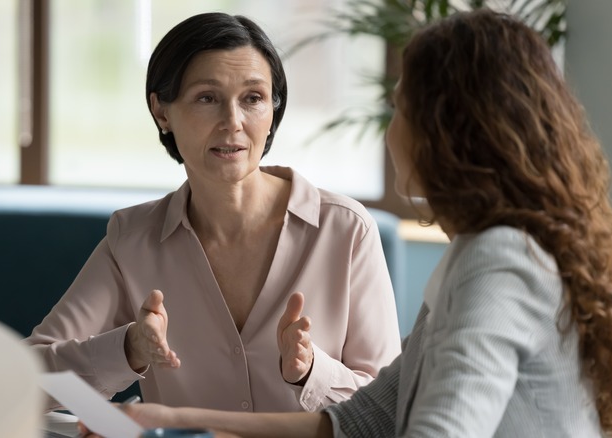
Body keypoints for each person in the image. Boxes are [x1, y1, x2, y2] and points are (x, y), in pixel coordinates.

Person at [84, 8, 612, 438]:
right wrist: (172, 424)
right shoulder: (479, 252)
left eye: (400, 110)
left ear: (447, 132)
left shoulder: (499, 262)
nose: (391, 134)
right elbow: (364, 422)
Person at [24, 12, 401, 414]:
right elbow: (29, 380)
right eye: (208, 98)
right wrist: (129, 349)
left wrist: (312, 372)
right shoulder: (132, 239)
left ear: (273, 111)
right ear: (162, 112)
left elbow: (389, 410)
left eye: (253, 99)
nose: (233, 122)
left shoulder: (346, 231)